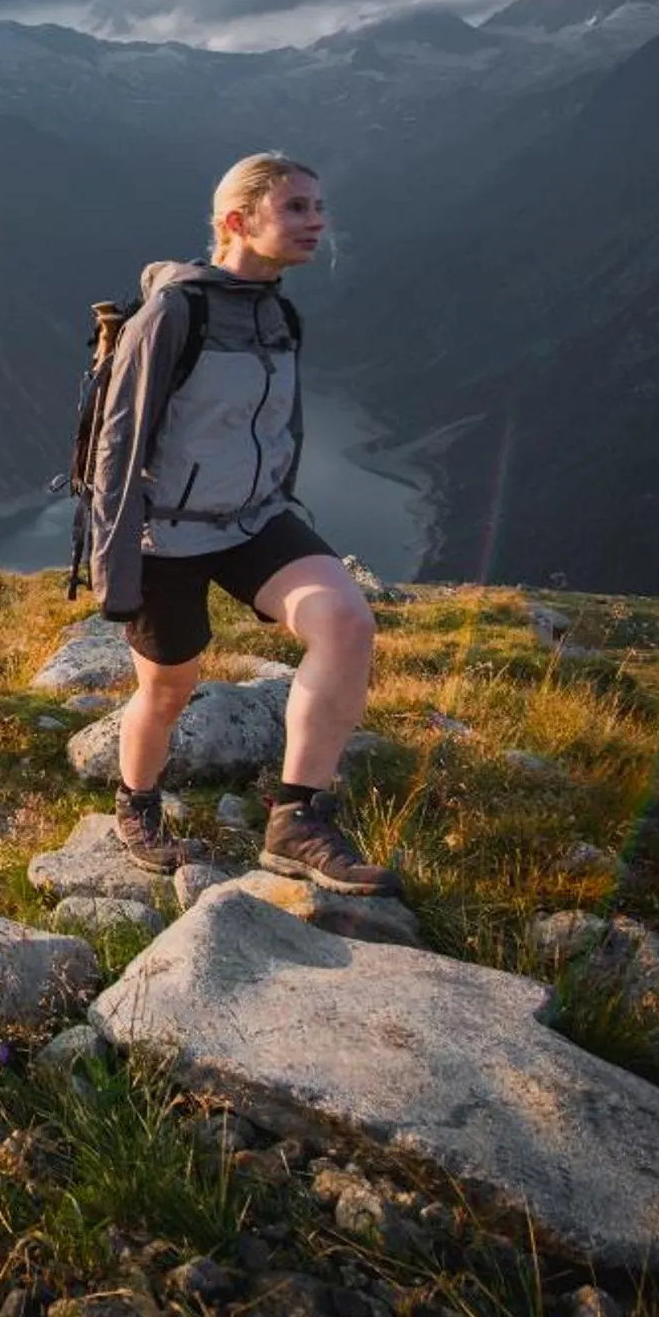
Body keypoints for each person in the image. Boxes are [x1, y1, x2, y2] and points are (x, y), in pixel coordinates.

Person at [84, 154, 399, 894]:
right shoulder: (173, 312)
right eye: (294, 207)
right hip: (166, 530)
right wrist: (114, 567)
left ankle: (295, 821)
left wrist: (280, 498)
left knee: (345, 620)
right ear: (236, 220)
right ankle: (136, 803)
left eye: (318, 205)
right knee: (168, 688)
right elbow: (118, 442)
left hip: (253, 520)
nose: (315, 220)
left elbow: (277, 422)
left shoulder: (276, 311)